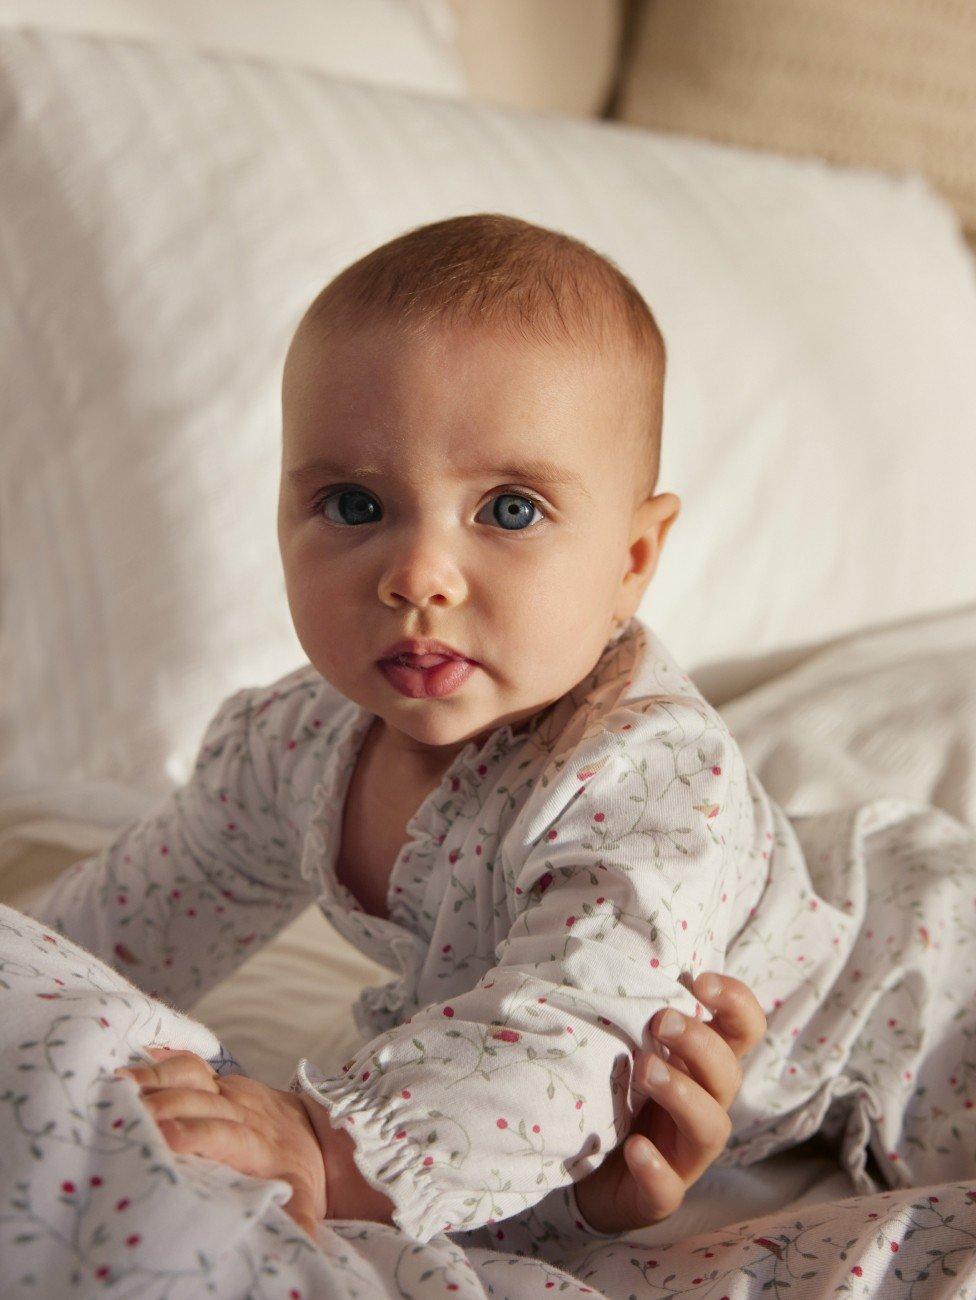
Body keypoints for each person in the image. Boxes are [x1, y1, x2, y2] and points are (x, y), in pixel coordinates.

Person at [10, 213, 976, 1293]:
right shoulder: (291, 746)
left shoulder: (646, 777)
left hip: (920, 986)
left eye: (508, 509)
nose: (418, 573)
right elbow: (127, 921)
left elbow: (567, 1038)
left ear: (631, 557)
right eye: (354, 504)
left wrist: (330, 1147)